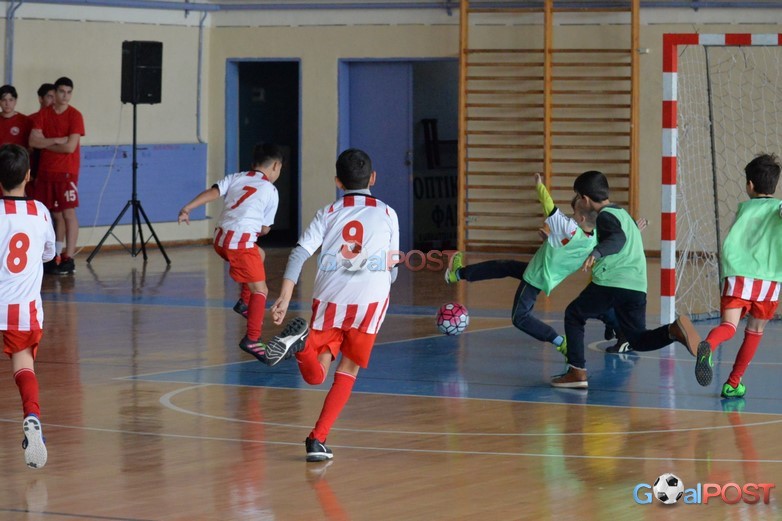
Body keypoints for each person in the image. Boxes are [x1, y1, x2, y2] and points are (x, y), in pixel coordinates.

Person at [268, 148, 399, 462]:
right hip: (369, 302)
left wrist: (285, 295)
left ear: (338, 182)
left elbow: (299, 253)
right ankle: (317, 439)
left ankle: (302, 346)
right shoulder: (387, 213)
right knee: (348, 370)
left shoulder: (328, 212)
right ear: (373, 178)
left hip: (331, 297)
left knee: (317, 374)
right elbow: (393, 268)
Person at [552, 170, 701, 389]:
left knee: (574, 314)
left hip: (613, 282)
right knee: (637, 339)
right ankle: (673, 331)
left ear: (585, 199)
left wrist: (597, 253)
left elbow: (617, 239)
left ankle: (577, 371)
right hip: (637, 286)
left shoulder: (605, 216)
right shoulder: (622, 214)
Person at [445, 173, 603, 356]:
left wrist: (539, 185)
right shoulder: (593, 239)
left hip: (535, 276)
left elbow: (549, 207)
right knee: (504, 266)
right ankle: (458, 273)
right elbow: (568, 253)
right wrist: (550, 240)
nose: (571, 216)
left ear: (581, 219)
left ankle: (561, 342)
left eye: (574, 214)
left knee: (519, 317)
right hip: (544, 274)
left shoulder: (571, 229)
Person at [178, 143, 282, 360]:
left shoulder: (236, 177)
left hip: (220, 239)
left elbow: (213, 193)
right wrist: (255, 228)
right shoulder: (270, 190)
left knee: (259, 255)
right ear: (275, 166)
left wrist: (188, 208)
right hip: (239, 244)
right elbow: (264, 229)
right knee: (261, 290)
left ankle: (244, 303)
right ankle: (252, 339)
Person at [693, 153, 782, 398]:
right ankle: (733, 383)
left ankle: (708, 345)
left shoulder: (743, 208)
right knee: (755, 330)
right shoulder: (777, 207)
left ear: (749, 185)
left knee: (728, 326)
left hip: (736, 275)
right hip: (768, 280)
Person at [0, 144, 55, 468]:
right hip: (21, 308)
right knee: (24, 367)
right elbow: (49, 253)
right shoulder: (40, 212)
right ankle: (32, 415)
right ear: (28, 176)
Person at [29, 77, 85, 276]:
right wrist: (57, 140)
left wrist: (46, 143)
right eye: (62, 91)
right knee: (47, 214)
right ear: (55, 92)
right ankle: (50, 255)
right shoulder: (44, 114)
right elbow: (33, 141)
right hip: (45, 172)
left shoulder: (75, 115)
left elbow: (70, 147)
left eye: (69, 92)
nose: (65, 96)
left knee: (68, 213)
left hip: (67, 172)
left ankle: (68, 257)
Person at [26, 83, 55, 201]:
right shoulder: (29, 120)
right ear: (40, 98)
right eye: (50, 96)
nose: (53, 101)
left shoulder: (58, 122)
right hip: (31, 173)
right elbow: (28, 147)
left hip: (52, 171)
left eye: (55, 97)